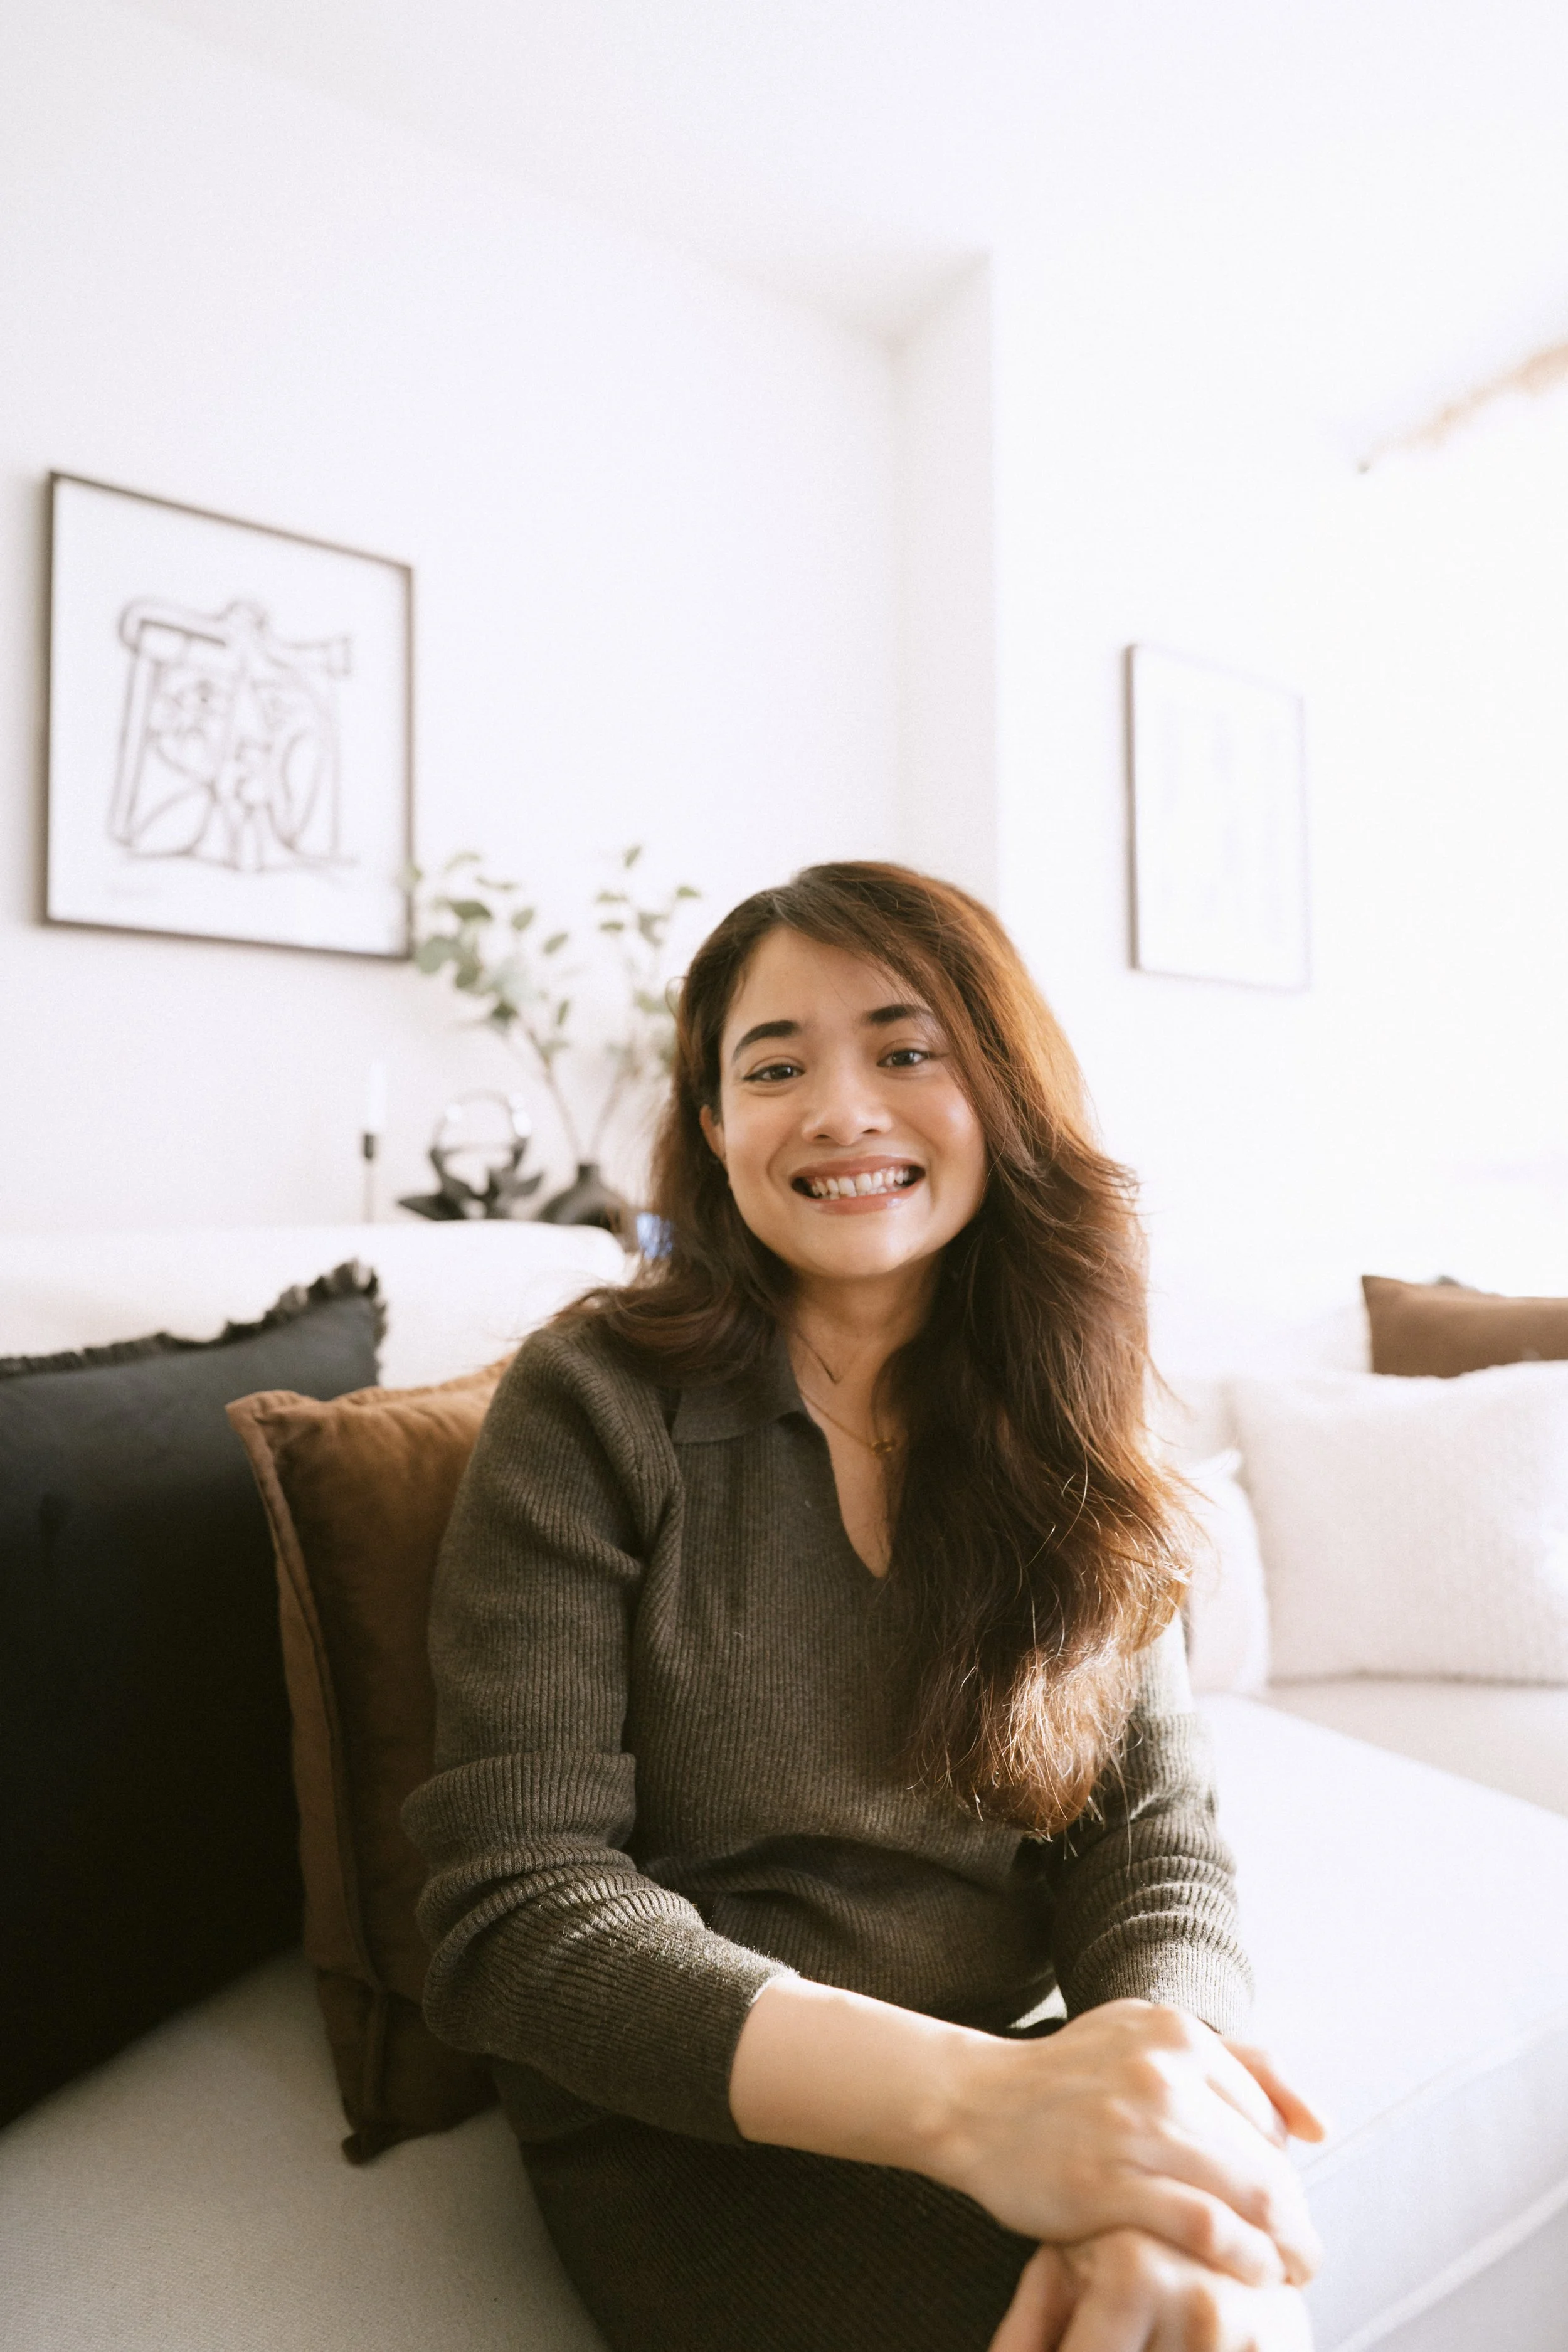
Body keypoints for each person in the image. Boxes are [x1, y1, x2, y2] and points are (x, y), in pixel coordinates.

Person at [404, 863, 1325, 2352]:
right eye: (775, 1067)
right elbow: (517, 1904)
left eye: (905, 1050)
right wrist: (989, 2108)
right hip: (708, 2117)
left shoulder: (1061, 1411)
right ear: (714, 1129)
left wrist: (1160, 2083)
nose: (840, 1110)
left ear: (1003, 1094)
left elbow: (1150, 1839)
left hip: (1022, 2072)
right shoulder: (590, 1406)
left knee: (1214, 2300)